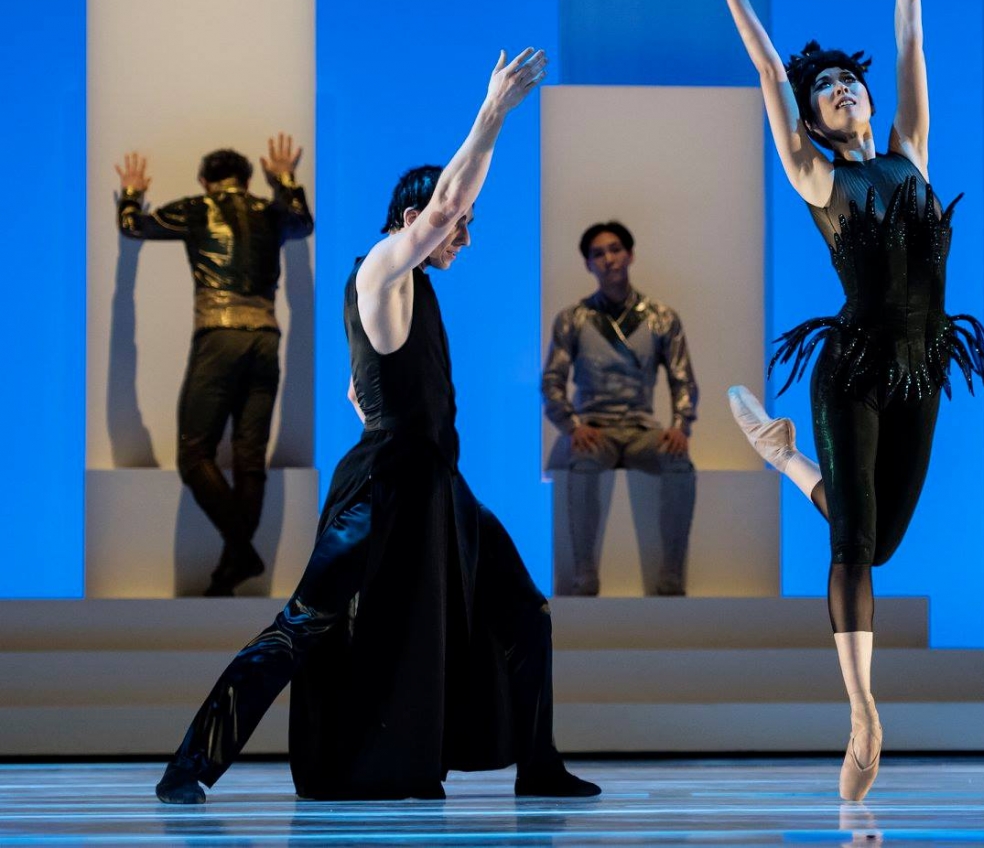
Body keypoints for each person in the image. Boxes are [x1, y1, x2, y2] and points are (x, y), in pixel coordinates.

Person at [154, 49, 599, 804]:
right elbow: (445, 206)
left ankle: (538, 766)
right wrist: (491, 113)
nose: (463, 238)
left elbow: (364, 390)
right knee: (305, 622)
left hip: (436, 485)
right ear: (413, 221)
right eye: (456, 225)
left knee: (523, 610)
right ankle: (190, 764)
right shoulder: (383, 267)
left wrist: (378, 406)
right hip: (384, 489)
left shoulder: (410, 288)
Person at [662, 0, 984, 801]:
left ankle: (784, 461)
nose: (843, 89)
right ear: (813, 117)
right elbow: (772, 73)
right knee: (853, 541)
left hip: (921, 366)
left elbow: (911, 43)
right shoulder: (820, 177)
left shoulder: (912, 155)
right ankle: (863, 714)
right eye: (828, 88)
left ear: (870, 102)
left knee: (884, 539)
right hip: (852, 369)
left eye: (851, 81)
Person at [115, 135, 313, 595]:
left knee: (194, 454)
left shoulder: (196, 207)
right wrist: (285, 180)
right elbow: (302, 223)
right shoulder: (269, 211)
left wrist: (131, 193)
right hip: (265, 337)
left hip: (218, 335)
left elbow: (133, 226)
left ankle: (241, 550)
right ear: (247, 179)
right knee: (249, 456)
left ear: (206, 181)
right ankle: (230, 570)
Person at [542, 220, 699, 596]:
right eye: (598, 254)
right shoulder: (573, 319)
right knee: (580, 464)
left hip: (642, 430)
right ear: (588, 264)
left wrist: (681, 425)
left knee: (680, 464)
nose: (608, 259)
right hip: (595, 430)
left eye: (615, 250)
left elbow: (683, 380)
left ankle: (672, 574)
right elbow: (551, 382)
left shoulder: (661, 317)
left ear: (630, 255)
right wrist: (572, 426)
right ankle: (584, 573)